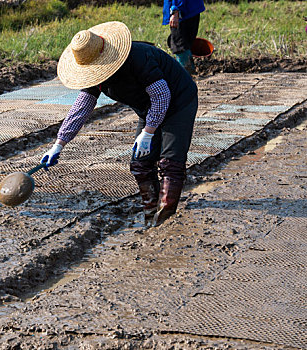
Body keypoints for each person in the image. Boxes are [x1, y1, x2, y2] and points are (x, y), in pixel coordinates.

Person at [40, 21, 198, 227]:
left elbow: (162, 96)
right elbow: (80, 109)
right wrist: (58, 145)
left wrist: (148, 133)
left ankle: (165, 219)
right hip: (148, 107)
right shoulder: (94, 75)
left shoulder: (139, 58)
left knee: (170, 162)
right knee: (140, 162)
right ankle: (151, 214)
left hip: (178, 102)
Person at [162, 0, 205, 74]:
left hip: (183, 11)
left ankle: (187, 74)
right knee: (185, 42)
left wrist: (175, 10)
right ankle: (189, 73)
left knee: (179, 44)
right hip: (190, 8)